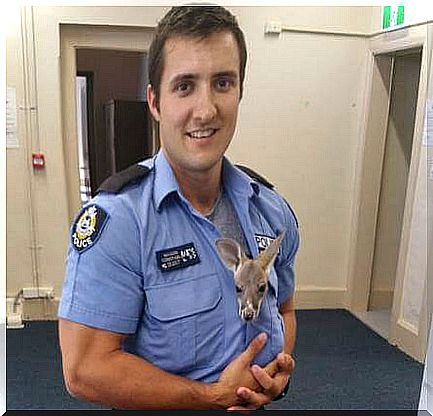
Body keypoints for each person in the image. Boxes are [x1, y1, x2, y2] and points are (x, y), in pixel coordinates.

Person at [58, 5, 300, 410]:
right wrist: (211, 397)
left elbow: (284, 309)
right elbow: (84, 369)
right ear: (154, 101)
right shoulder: (119, 221)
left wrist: (273, 374)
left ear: (240, 91)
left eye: (222, 83)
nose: (205, 110)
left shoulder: (272, 211)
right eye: (185, 86)